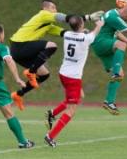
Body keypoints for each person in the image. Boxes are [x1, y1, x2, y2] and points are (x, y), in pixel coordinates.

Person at [10, 0, 103, 110]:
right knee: (52, 46)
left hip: (21, 52)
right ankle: (31, 72)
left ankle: (18, 94)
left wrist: (81, 33)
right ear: (45, 8)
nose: (55, 10)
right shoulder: (43, 14)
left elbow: (65, 33)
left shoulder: (48, 25)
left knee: (44, 75)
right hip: (19, 45)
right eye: (53, 7)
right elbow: (66, 18)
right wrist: (88, 17)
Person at [44, 16, 104, 147]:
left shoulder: (67, 34)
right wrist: (100, 23)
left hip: (64, 73)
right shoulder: (86, 38)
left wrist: (84, 30)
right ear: (81, 25)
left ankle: (52, 113)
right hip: (73, 77)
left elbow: (80, 34)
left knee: (80, 96)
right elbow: (95, 32)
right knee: (72, 110)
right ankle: (50, 136)